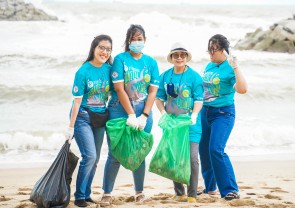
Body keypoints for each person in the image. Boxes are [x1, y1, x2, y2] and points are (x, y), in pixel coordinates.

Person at [100, 24, 160, 206]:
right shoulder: (120, 59)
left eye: (139, 39)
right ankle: (107, 193)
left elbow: (152, 92)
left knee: (139, 153)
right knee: (114, 153)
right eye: (133, 39)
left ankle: (139, 192)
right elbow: (119, 89)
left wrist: (144, 115)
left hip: (143, 112)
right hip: (119, 110)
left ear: (145, 40)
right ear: (128, 41)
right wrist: (131, 115)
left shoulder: (151, 62)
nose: (136, 42)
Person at [64, 35, 113, 207]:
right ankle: (78, 197)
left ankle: (85, 194)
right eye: (101, 48)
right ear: (94, 48)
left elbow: (116, 92)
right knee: (89, 156)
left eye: (108, 49)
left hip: (100, 117)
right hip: (83, 116)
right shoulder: (83, 71)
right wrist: (70, 128)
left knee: (95, 158)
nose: (104, 52)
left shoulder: (109, 69)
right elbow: (77, 101)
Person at [199, 34, 248, 201]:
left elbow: (242, 89)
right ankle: (210, 188)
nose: (211, 54)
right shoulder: (209, 65)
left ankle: (230, 190)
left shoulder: (230, 66)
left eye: (214, 50)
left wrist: (236, 67)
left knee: (216, 149)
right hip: (205, 112)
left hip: (223, 114)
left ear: (223, 50)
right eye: (209, 50)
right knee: (204, 151)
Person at [155, 42, 204, 203]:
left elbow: (198, 99)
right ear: (171, 57)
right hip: (171, 124)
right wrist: (163, 113)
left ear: (186, 57)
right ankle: (179, 192)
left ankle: (192, 194)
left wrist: (195, 114)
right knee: (174, 157)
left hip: (190, 123)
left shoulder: (194, 77)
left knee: (192, 159)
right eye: (176, 55)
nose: (179, 58)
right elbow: (159, 98)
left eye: (182, 55)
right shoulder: (165, 76)